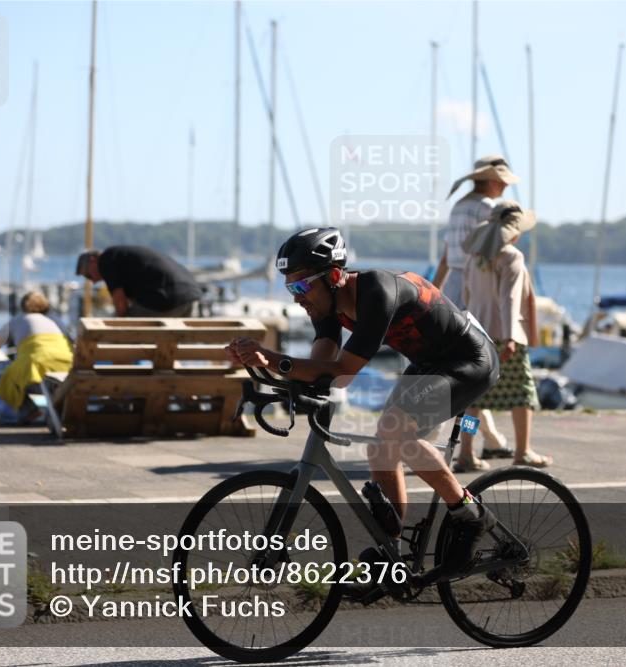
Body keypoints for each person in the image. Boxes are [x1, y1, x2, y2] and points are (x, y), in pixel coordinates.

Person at [224, 227, 499, 581]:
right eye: (291, 288)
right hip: (429, 364)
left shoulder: (376, 292)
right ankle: (391, 555)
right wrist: (266, 370)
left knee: (395, 433)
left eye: (302, 287)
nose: (297, 298)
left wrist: (274, 359)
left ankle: (469, 514)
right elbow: (321, 367)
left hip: (469, 360)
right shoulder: (323, 302)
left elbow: (342, 373)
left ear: (333, 276)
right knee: (379, 449)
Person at [434, 155, 522, 470]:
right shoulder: (487, 207)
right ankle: (465, 447)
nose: (504, 187)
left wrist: (434, 290)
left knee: (468, 375)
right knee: (477, 378)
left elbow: (447, 255)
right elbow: (492, 251)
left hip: (453, 287)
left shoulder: (459, 206)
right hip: (480, 287)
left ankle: (491, 440)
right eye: (502, 181)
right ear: (492, 180)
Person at [461, 201, 552, 467]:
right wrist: (511, 336)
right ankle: (523, 451)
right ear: (514, 232)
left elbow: (467, 295)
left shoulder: (474, 257)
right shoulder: (511, 256)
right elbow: (509, 299)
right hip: (503, 334)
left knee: (473, 399)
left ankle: (465, 452)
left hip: (475, 333)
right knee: (523, 395)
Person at [0, 291, 73, 424]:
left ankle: (23, 412)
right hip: (65, 376)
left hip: (36, 374)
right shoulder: (55, 322)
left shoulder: (17, 320)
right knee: (22, 366)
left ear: (22, 307)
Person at [75, 246, 203, 317]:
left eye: (88, 276)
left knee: (118, 333)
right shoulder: (121, 256)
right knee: (175, 344)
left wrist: (119, 324)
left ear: (93, 260)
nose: (93, 282)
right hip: (191, 296)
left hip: (169, 300)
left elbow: (120, 303)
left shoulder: (106, 260)